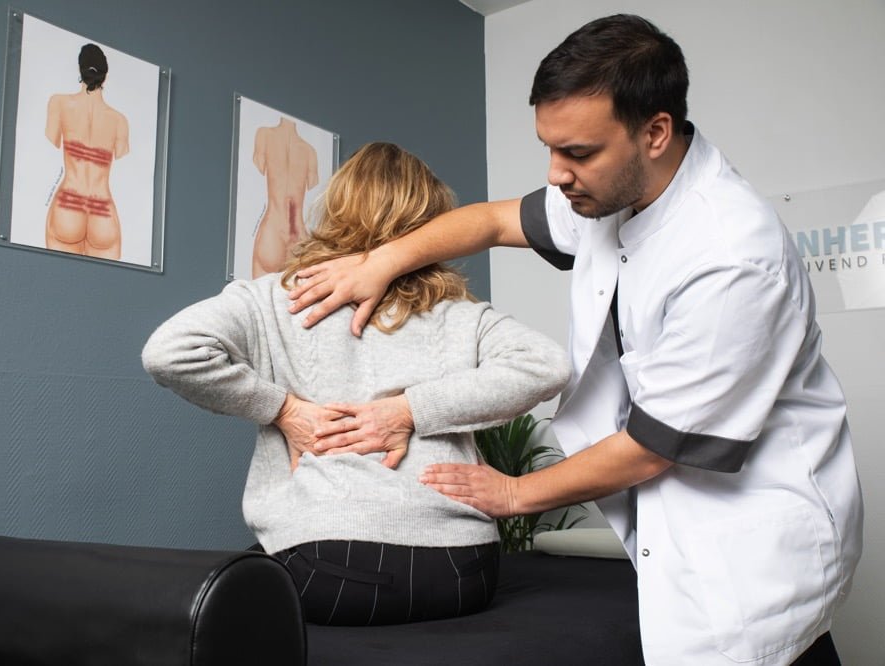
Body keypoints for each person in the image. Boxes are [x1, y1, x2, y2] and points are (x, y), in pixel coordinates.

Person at [285, 15, 863, 665]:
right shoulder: (610, 188)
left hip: (749, 546)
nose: (557, 174)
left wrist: (512, 494)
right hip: (670, 523)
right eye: (549, 149)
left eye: (578, 153)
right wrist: (380, 263)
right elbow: (489, 220)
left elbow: (651, 447)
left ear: (655, 132)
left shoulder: (731, 256)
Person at [142, 142, 569, 626]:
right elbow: (548, 364)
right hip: (464, 572)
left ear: (335, 208)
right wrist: (417, 409)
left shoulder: (275, 298)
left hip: (330, 572)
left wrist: (284, 410)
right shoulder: (459, 314)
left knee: (237, 583)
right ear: (430, 226)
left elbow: (168, 350)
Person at [45, 43, 129, 259]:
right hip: (103, 209)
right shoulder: (119, 120)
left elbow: (50, 142)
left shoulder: (59, 103)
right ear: (105, 76)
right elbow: (123, 156)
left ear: (80, 71)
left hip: (68, 203)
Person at [251, 117, 319, 278]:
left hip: (272, 230)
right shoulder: (309, 151)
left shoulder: (265, 134)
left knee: (257, 299)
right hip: (300, 237)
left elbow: (259, 164)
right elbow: (313, 182)